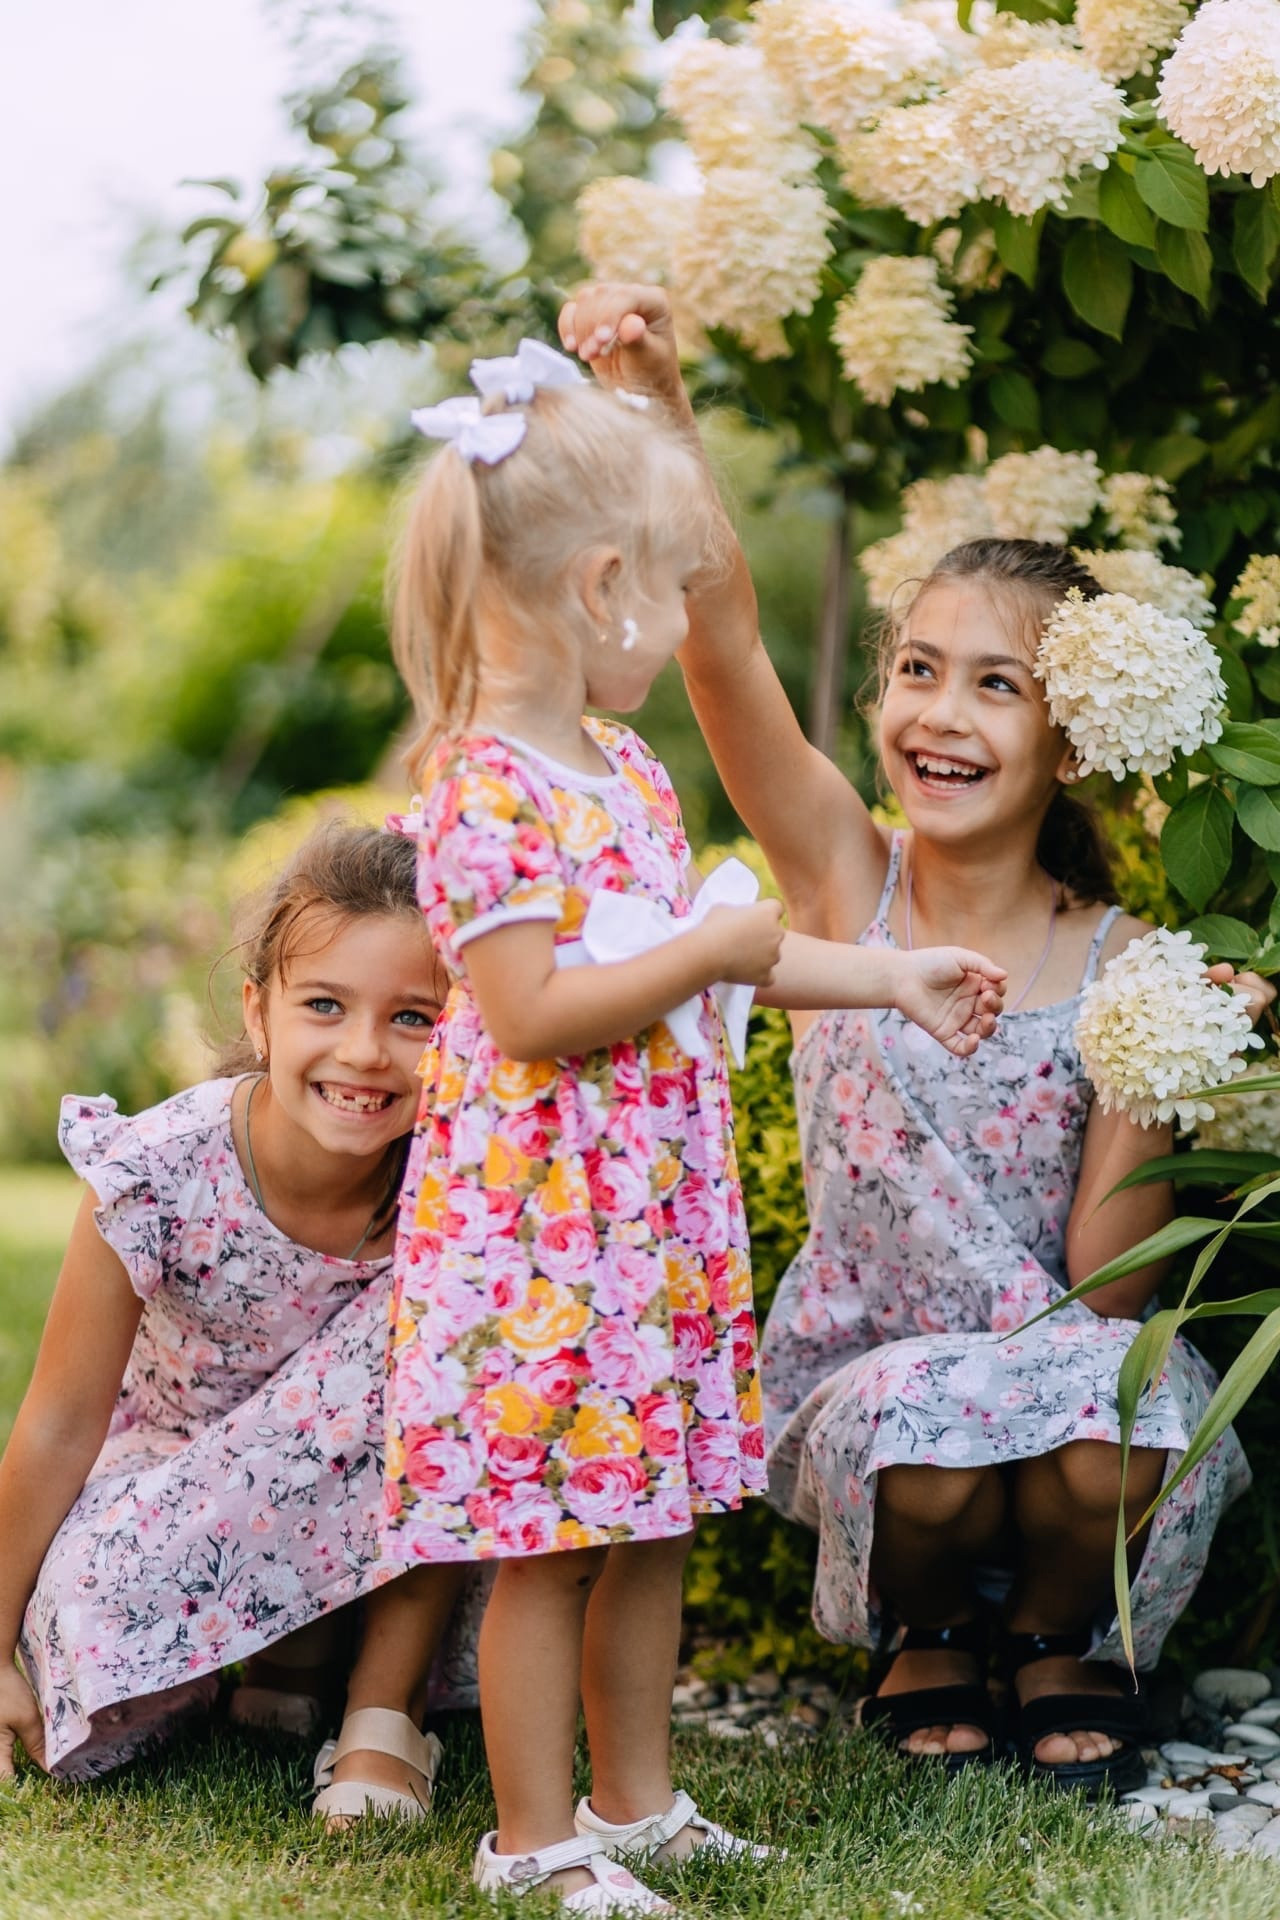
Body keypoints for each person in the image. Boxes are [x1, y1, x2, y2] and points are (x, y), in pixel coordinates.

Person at [557, 283, 1263, 1799]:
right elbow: (722, 637)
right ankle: (929, 1626)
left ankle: (1071, 1633)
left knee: (1122, 1420)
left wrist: (1165, 1066)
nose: (941, 714)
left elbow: (1102, 1280)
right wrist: (657, 410)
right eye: (921, 670)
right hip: (882, 1374)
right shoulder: (841, 875)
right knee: (928, 1438)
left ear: (1071, 742)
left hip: (1055, 1360)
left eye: (997, 685)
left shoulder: (1128, 956)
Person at [381, 339, 1007, 1911]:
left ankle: (638, 1803)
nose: (677, 620)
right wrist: (708, 953)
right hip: (540, 1244)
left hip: (643, 1225)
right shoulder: (484, 794)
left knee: (647, 1520)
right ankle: (532, 1843)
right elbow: (528, 1012)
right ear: (602, 589)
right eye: (670, 588)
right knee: (555, 1543)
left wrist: (895, 975)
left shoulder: (633, 773)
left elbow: (738, 950)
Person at [0, 822, 472, 1821]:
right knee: (83, 1611)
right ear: (259, 1013)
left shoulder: (463, 1183)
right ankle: (286, 1658)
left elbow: (447, 1438)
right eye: (325, 1006)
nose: (362, 1052)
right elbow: (56, 1425)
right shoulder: (158, 1172)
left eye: (414, 1019)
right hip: (183, 1482)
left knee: (436, 1341)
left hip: (400, 1528)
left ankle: (379, 1714)